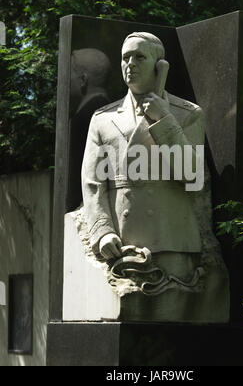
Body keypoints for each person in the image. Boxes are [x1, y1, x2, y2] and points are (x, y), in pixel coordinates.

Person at [81, 32, 229, 322]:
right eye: (125, 57)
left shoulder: (186, 114)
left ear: (160, 65)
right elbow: (93, 183)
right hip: (125, 242)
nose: (130, 64)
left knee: (174, 328)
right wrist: (101, 231)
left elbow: (192, 176)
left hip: (172, 238)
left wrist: (163, 120)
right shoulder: (103, 119)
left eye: (139, 57)